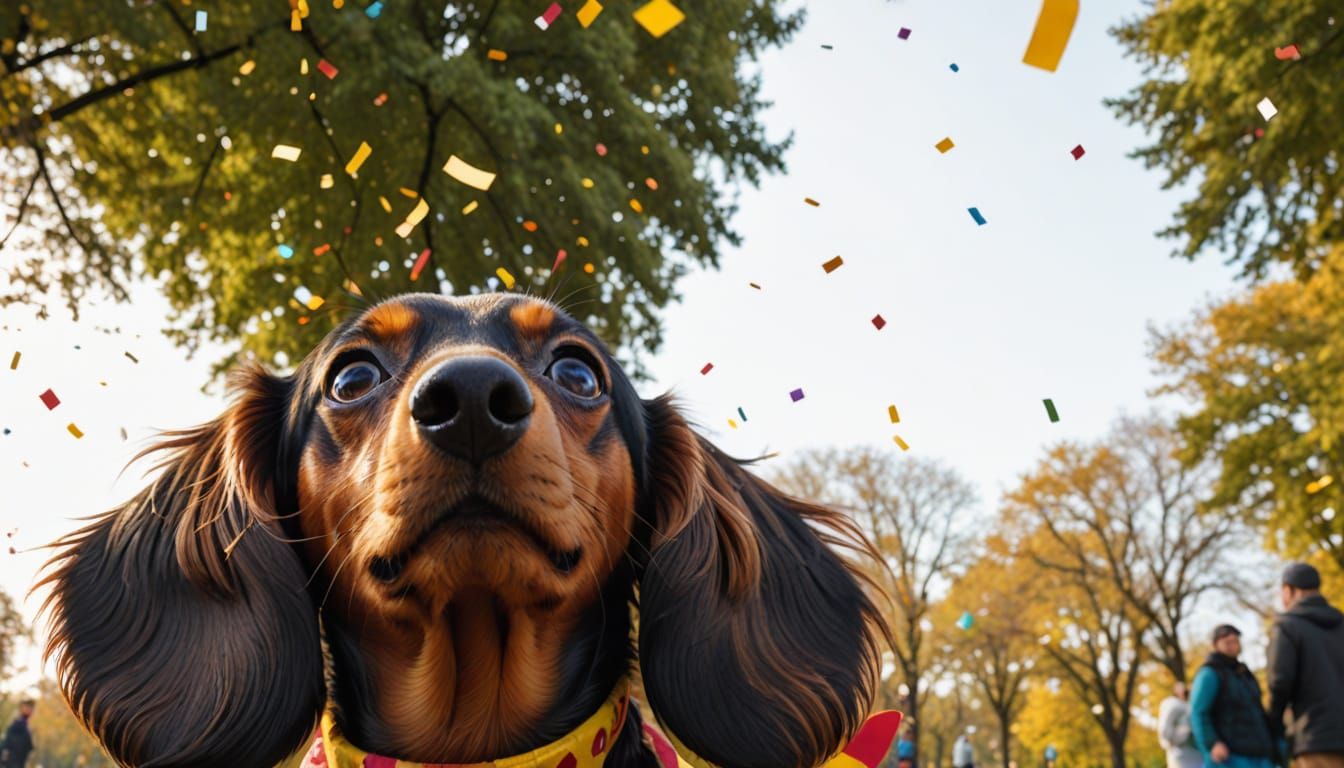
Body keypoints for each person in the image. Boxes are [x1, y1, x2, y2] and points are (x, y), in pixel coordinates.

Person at [1267, 562, 1344, 768]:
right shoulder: (1341, 623)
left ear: (1289, 590)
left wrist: (1273, 726)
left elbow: (1280, 681)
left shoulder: (1287, 626)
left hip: (1316, 738)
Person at [1190, 624, 1277, 768]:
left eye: (1235, 641)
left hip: (1260, 754)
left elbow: (1259, 711)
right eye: (1227, 642)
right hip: (1231, 757)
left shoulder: (1245, 675)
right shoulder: (1210, 673)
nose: (1232, 646)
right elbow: (1198, 713)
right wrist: (1211, 743)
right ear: (1215, 645)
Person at [1159, 681, 1203, 768]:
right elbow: (1164, 730)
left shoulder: (1187, 705)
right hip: (1180, 753)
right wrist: (1185, 732)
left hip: (1193, 754)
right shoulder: (1173, 705)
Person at [0, 699, 34, 768]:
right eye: (28, 707)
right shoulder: (17, 725)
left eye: (31, 708)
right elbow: (7, 745)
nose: (31, 710)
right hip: (12, 763)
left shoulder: (25, 726)